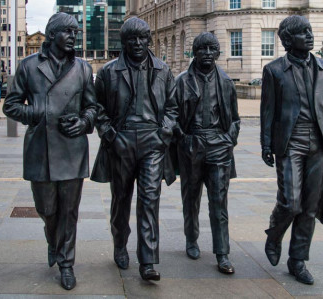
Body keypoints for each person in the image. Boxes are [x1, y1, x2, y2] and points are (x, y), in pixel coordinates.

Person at [260, 15, 323, 285]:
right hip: (289, 142)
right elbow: (268, 112)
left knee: (309, 207)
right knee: (290, 202)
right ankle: (274, 233)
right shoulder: (274, 70)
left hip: (321, 145)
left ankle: (298, 260)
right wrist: (266, 144)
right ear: (287, 40)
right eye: (302, 32)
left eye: (309, 31)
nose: (309, 35)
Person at [3, 12, 97, 291]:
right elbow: (11, 105)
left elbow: (93, 107)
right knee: (47, 209)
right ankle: (53, 242)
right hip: (40, 149)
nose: (73, 37)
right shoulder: (29, 66)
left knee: (69, 211)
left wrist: (83, 122)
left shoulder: (83, 68)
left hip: (72, 149)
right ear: (53, 34)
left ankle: (66, 264)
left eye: (76, 32)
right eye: (68, 32)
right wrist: (38, 112)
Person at [90, 17, 178, 282]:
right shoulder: (108, 72)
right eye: (132, 39)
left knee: (150, 199)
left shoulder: (163, 69)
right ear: (124, 41)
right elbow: (98, 108)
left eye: (142, 38)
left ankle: (148, 260)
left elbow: (173, 107)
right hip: (122, 140)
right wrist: (109, 135)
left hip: (153, 141)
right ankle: (120, 243)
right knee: (121, 200)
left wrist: (165, 130)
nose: (138, 43)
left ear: (149, 40)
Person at [173, 32, 240, 274]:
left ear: (218, 53)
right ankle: (191, 239)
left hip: (218, 146)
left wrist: (228, 140)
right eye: (203, 49)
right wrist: (183, 137)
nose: (208, 54)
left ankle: (222, 253)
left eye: (212, 49)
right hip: (191, 144)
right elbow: (171, 114)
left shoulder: (226, 82)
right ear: (195, 52)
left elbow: (235, 119)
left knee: (219, 202)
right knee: (191, 198)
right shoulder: (181, 81)